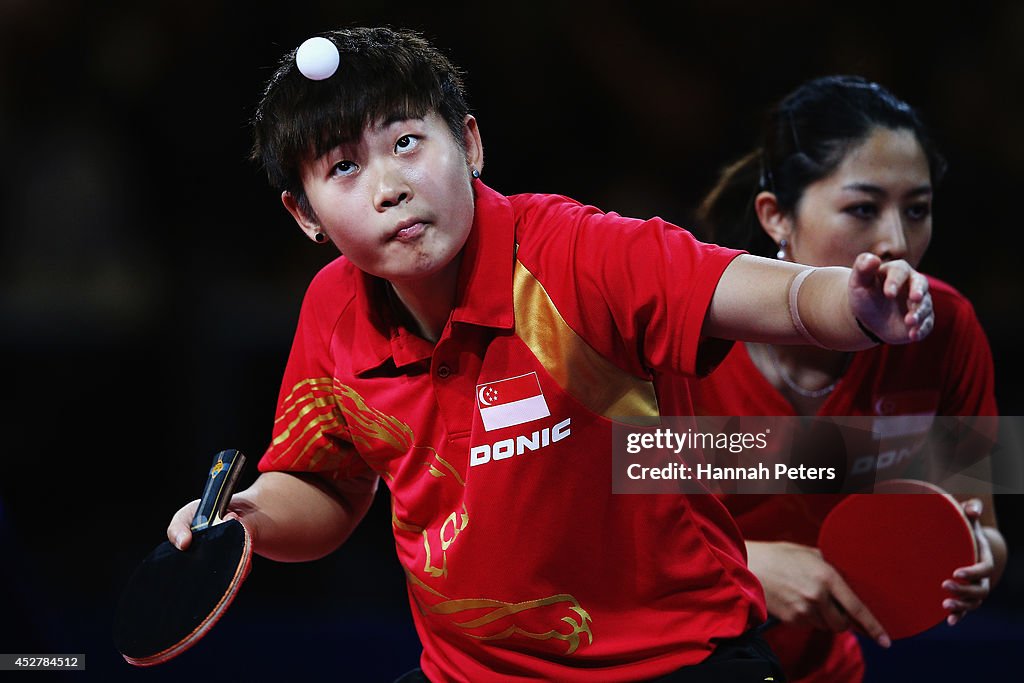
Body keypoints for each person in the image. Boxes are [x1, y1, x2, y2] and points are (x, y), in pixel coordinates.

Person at [166, 30, 933, 682]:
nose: (389, 186)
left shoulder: (577, 255)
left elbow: (770, 295)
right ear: (304, 215)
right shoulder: (332, 311)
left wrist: (854, 305)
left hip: (674, 663)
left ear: (468, 143)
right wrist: (250, 519)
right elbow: (326, 491)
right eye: (343, 167)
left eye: (405, 142)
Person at [689, 74, 1007, 683]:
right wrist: (745, 564)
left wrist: (976, 563)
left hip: (818, 667)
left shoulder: (947, 331)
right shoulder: (686, 334)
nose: (896, 241)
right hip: (668, 659)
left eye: (917, 210)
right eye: (862, 209)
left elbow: (986, 535)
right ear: (776, 217)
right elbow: (591, 545)